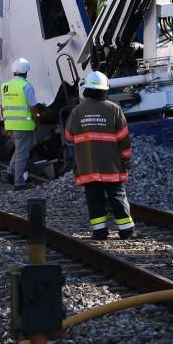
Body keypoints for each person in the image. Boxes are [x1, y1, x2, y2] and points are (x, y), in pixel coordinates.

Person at [64, 71, 136, 240]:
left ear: (87, 90)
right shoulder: (114, 110)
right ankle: (127, 231)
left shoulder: (77, 111)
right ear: (105, 90)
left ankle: (99, 231)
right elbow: (123, 139)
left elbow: (68, 137)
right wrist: (126, 159)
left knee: (94, 198)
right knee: (117, 196)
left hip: (87, 166)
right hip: (111, 165)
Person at [0, 57, 42, 191]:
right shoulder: (26, 86)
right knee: (22, 154)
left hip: (10, 125)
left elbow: (2, 106)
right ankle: (19, 183)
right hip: (24, 126)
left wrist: (5, 124)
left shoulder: (5, 86)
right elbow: (34, 109)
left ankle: (10, 173)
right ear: (26, 72)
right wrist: (37, 122)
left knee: (19, 150)